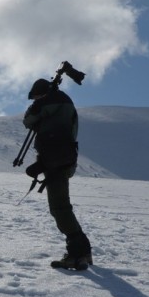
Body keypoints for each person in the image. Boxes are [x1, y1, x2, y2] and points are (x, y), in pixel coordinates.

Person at [23, 78, 92, 270]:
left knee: (59, 208)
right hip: (66, 159)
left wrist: (37, 105)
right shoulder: (65, 103)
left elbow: (28, 121)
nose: (34, 100)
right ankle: (84, 252)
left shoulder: (46, 103)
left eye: (36, 96)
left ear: (42, 94)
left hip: (53, 161)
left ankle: (76, 254)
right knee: (62, 207)